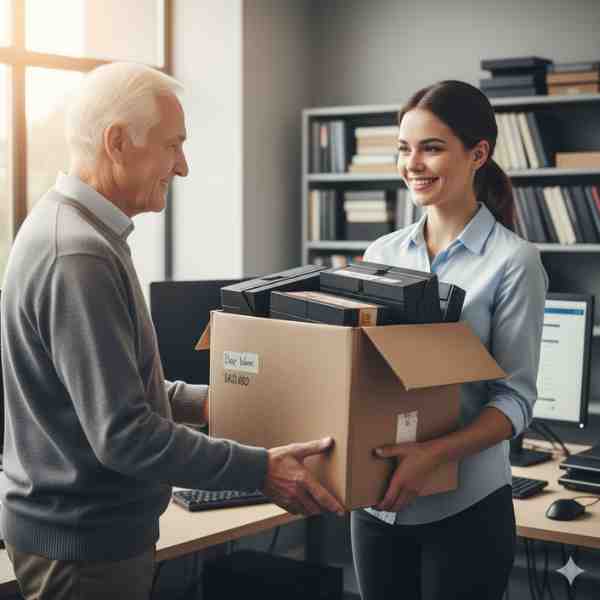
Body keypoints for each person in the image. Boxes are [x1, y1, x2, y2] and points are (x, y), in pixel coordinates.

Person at [0, 62, 345, 600]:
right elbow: (122, 433)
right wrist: (259, 469)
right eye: (172, 145)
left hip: (83, 537)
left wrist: (215, 401)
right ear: (117, 142)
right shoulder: (78, 254)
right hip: (85, 547)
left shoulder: (74, 230)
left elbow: (103, 393)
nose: (181, 166)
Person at [351, 80, 548, 600]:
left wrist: (434, 455)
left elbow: (515, 400)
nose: (413, 164)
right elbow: (367, 374)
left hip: (465, 512)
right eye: (404, 149)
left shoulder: (513, 262)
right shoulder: (381, 252)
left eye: (432, 148)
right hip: (377, 505)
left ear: (478, 153)